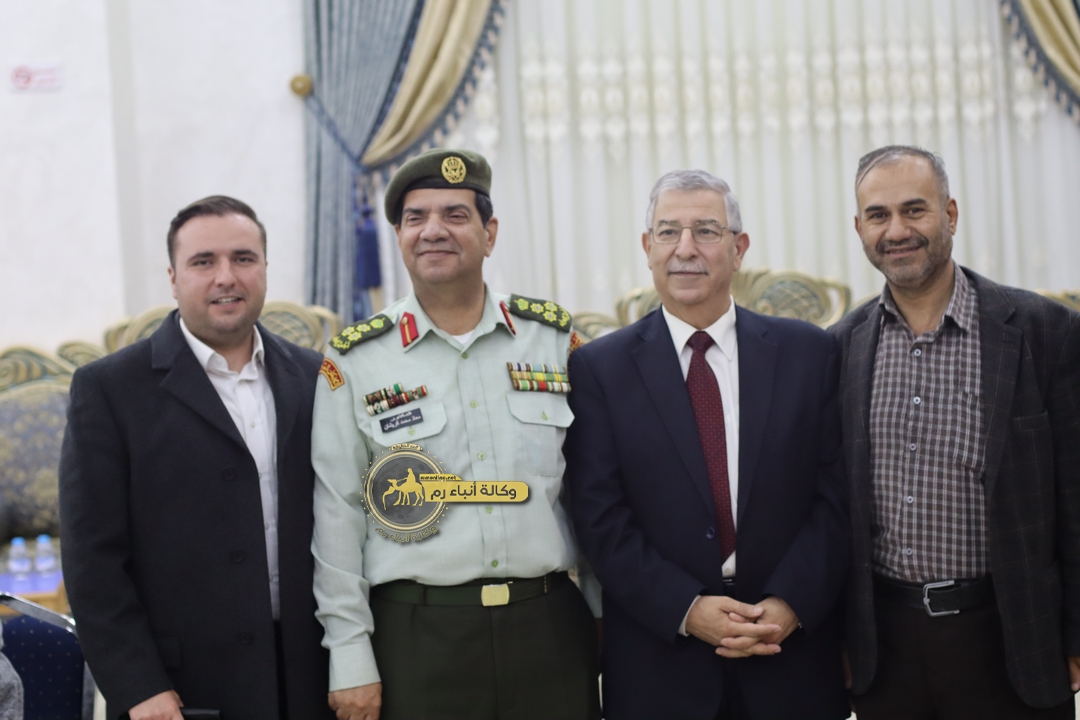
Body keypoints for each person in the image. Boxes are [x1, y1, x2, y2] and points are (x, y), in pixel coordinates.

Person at [311, 148, 600, 720]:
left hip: (548, 628)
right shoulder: (355, 360)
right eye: (415, 218)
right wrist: (349, 655)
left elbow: (593, 490)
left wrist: (603, 615)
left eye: (455, 215)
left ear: (489, 234)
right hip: (418, 637)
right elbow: (337, 514)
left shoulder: (551, 341)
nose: (433, 231)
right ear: (399, 236)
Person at [563, 169, 851, 720]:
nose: (685, 248)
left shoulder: (809, 354)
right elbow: (599, 517)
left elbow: (837, 498)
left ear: (739, 249)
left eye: (707, 231)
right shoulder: (600, 369)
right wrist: (686, 609)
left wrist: (790, 603)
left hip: (789, 656)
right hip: (660, 665)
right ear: (647, 247)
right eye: (668, 232)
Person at [59, 196, 333, 720]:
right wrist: (137, 686)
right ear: (173, 277)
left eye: (243, 258)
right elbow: (92, 561)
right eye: (203, 261)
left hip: (311, 680)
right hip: (181, 691)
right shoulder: (109, 389)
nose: (226, 276)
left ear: (265, 268)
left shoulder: (316, 375)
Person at [832, 145, 1080, 718]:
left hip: (1013, 638)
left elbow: (1075, 499)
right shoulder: (840, 347)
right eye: (878, 215)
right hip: (885, 649)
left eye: (914, 210)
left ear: (950, 214)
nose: (897, 230)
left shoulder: (1047, 333)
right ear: (859, 228)